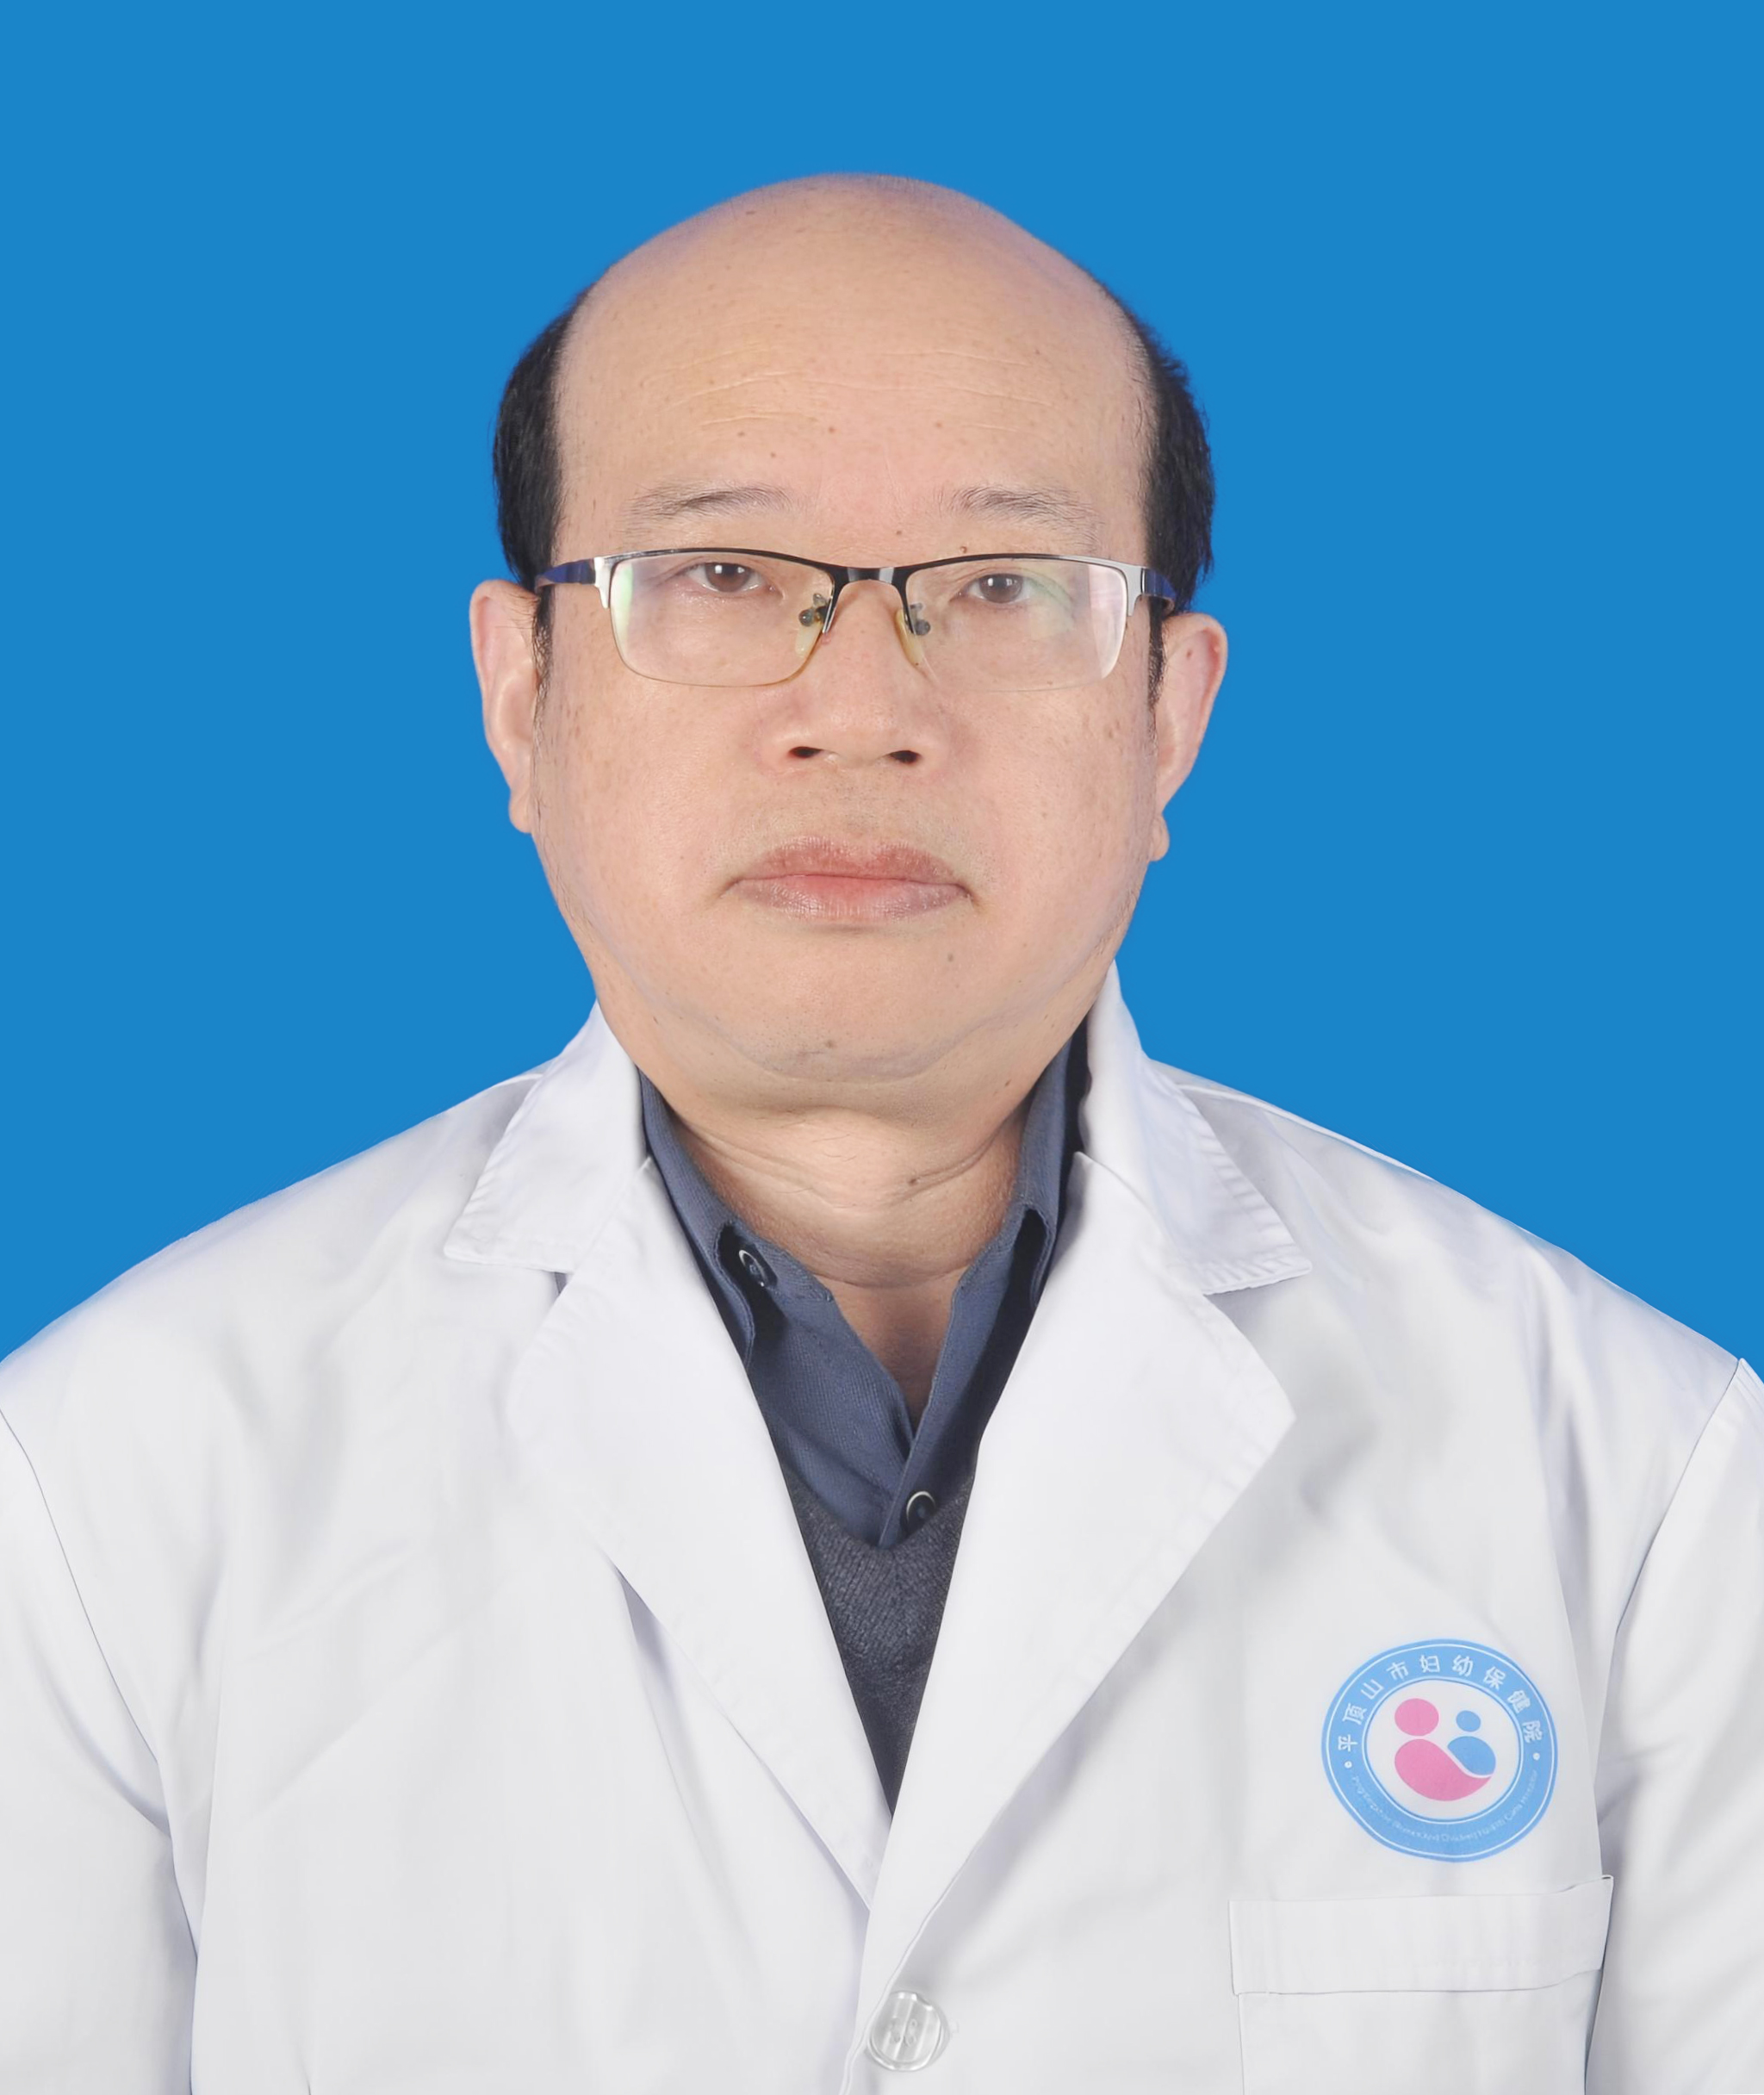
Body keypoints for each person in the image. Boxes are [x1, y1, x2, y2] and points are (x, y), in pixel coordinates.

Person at [0, 177, 1757, 2095]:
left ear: (1169, 718)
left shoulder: (1641, 1476)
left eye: (1000, 588)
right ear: (520, 696)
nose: (859, 712)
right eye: (719, 576)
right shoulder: (105, 1481)